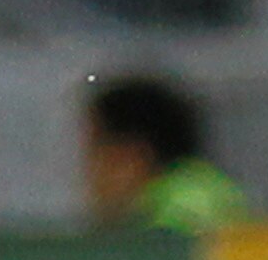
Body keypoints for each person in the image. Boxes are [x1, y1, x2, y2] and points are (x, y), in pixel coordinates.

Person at [81, 70, 252, 229]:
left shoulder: (181, 209)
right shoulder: (203, 186)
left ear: (132, 154)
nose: (89, 172)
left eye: (95, 149)